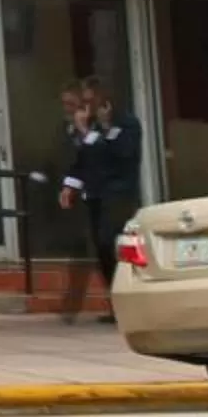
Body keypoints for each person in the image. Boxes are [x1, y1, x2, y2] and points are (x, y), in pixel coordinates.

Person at [56, 79, 144, 324]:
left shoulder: (126, 124)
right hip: (95, 194)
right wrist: (70, 185)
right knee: (101, 248)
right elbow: (83, 159)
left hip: (118, 195)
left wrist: (92, 132)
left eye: (88, 100)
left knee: (110, 243)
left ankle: (129, 302)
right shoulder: (93, 126)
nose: (84, 106)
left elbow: (121, 154)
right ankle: (116, 304)